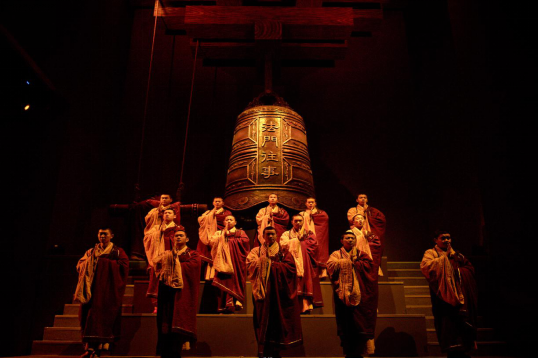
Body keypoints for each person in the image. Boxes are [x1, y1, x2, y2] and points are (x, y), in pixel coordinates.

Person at [246, 226, 303, 358]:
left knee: (277, 322)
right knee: (261, 321)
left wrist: (271, 265)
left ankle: (276, 351)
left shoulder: (284, 252)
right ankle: (264, 351)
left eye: (272, 234)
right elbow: (249, 264)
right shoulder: (257, 250)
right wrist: (263, 262)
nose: (270, 237)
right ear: (263, 236)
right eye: (267, 234)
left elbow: (290, 269)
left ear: (276, 235)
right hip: (262, 292)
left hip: (279, 294)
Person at [420, 231, 478, 358]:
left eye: (449, 238)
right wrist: (444, 261)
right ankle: (451, 350)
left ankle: (463, 349)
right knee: (446, 323)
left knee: (461, 322)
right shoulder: (431, 253)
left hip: (459, 295)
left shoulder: (457, 255)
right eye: (443, 238)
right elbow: (425, 267)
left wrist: (457, 272)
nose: (447, 240)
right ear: (436, 240)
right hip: (442, 296)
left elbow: (469, 268)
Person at [74, 228, 129, 358]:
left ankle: (103, 348)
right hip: (92, 291)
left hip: (108, 292)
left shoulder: (117, 251)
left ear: (112, 236)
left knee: (106, 318)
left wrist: (102, 262)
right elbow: (79, 265)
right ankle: (89, 348)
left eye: (105, 234)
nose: (102, 236)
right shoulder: (91, 251)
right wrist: (91, 262)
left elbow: (124, 266)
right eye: (100, 234)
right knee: (88, 318)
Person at [153, 226, 202, 358]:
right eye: (176, 236)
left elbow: (194, 267)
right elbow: (157, 266)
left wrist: (173, 264)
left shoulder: (193, 254)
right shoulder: (167, 253)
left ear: (187, 239)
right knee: (165, 322)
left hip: (182, 293)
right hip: (167, 291)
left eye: (181, 235)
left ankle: (176, 351)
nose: (178, 237)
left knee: (179, 320)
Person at [326, 230, 377, 358]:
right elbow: (330, 265)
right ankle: (349, 352)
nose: (350, 240)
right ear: (341, 241)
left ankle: (359, 352)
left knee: (359, 323)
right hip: (342, 296)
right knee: (345, 324)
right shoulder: (336, 254)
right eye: (347, 238)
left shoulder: (361, 254)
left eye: (352, 238)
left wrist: (355, 263)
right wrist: (348, 263)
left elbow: (370, 267)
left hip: (360, 295)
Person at [280, 214, 323, 312]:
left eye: (300, 221)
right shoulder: (286, 234)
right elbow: (283, 244)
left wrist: (302, 243)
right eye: (296, 221)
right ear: (292, 222)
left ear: (303, 221)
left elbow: (314, 246)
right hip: (292, 261)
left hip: (305, 261)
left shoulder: (309, 233)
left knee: (305, 282)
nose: (298, 223)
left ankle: (306, 305)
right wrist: (296, 240)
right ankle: (294, 306)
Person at [208, 215, 250, 313]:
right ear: (223, 222)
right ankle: (223, 305)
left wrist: (230, 240)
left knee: (236, 279)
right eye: (227, 220)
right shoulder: (219, 233)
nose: (229, 221)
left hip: (237, 261)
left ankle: (237, 301)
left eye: (231, 220)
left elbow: (246, 242)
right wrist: (222, 237)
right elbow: (212, 242)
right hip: (223, 261)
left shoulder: (240, 232)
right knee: (223, 280)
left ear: (235, 222)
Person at [144, 208, 179, 312]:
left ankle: (171, 305)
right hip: (158, 259)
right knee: (157, 282)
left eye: (169, 213)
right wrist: (159, 233)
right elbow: (147, 238)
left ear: (175, 216)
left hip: (171, 260)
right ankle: (156, 306)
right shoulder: (156, 228)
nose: (167, 214)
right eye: (165, 213)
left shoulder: (178, 229)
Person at [197, 197, 232, 280]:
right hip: (208, 237)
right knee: (209, 256)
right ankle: (208, 276)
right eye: (215, 201)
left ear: (223, 203)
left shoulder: (227, 213)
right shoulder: (208, 213)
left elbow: (229, 223)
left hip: (220, 237)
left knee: (219, 255)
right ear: (213, 203)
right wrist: (208, 217)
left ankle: (218, 276)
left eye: (219, 201)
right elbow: (201, 220)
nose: (217, 203)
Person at [299, 197, 330, 278]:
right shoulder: (302, 213)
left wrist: (314, 215)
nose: (310, 204)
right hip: (307, 234)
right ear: (306, 203)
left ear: (315, 203)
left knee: (321, 249)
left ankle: (323, 271)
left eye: (312, 202)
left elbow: (325, 218)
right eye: (309, 202)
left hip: (319, 234)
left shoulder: (321, 212)